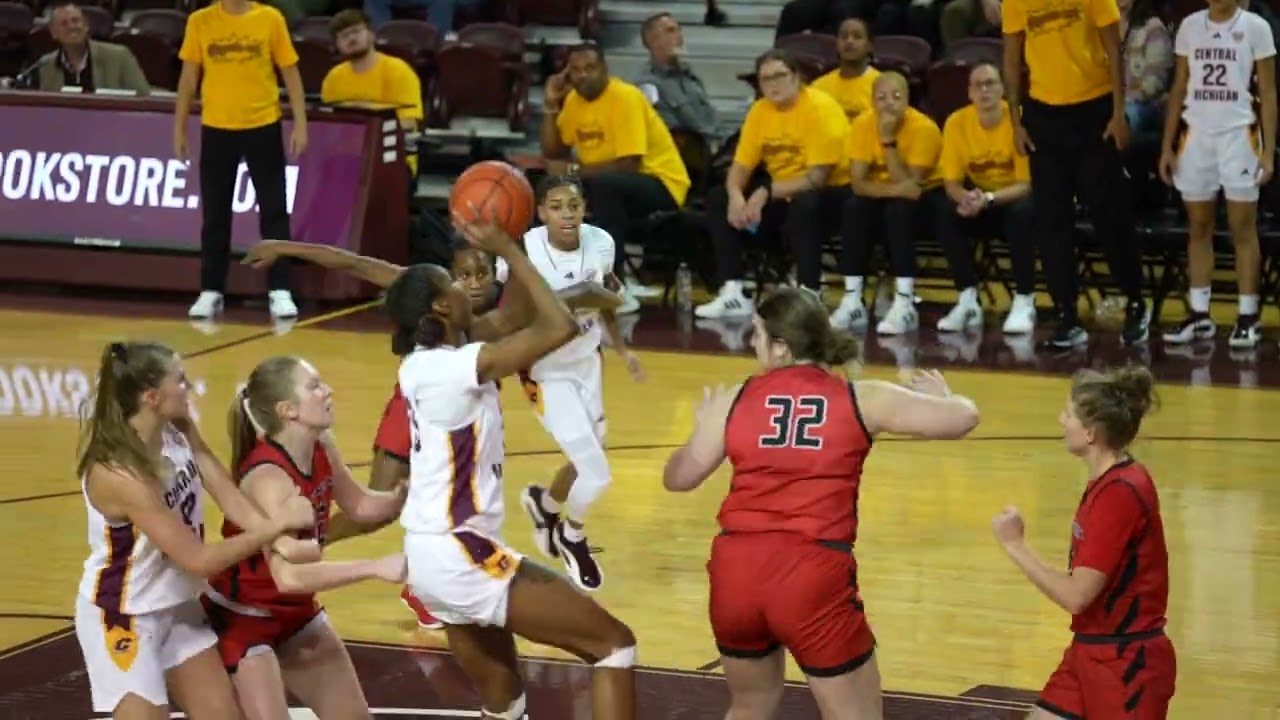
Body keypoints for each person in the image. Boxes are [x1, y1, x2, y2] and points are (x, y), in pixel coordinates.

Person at [662, 288, 981, 719]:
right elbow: (964, 417)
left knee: (750, 706)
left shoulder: (736, 398)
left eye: (757, 333)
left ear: (782, 346)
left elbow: (678, 478)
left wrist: (700, 430)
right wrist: (945, 398)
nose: (751, 343)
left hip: (735, 572)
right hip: (809, 574)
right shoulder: (860, 397)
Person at [392, 214, 637, 718]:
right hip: (461, 551)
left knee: (505, 700)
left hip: (429, 553)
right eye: (453, 285)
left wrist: (520, 250)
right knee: (615, 645)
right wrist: (512, 251)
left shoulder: (428, 360)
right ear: (441, 305)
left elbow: (521, 312)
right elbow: (559, 327)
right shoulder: (449, 367)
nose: (466, 290)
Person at [74, 340, 317, 719]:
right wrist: (275, 527)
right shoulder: (120, 473)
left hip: (177, 605)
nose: (191, 387)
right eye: (181, 381)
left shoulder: (176, 429)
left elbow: (223, 490)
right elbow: (199, 560)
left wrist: (280, 540)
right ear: (153, 396)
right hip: (125, 614)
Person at [202, 356, 407, 719]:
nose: (327, 390)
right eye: (314, 386)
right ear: (288, 410)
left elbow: (360, 506)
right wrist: (375, 567)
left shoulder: (321, 446)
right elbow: (290, 577)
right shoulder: (268, 478)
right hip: (245, 618)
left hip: (296, 614)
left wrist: (407, 496)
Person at [992, 365, 1176, 718]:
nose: (1062, 420)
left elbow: (1077, 596)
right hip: (1090, 650)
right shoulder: (1113, 479)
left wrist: (1015, 545)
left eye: (1069, 414)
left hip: (1125, 664)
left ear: (1090, 433)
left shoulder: (1119, 494)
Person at [505, 176, 640, 593]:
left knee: (589, 453)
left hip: (587, 362)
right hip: (545, 369)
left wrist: (622, 350)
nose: (567, 213)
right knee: (596, 474)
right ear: (542, 212)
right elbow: (509, 312)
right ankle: (572, 535)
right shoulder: (523, 251)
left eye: (574, 206)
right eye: (557, 206)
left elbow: (606, 298)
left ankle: (544, 505)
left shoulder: (600, 242)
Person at [1002, 0, 1151, 348]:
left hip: (1094, 110)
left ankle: (1136, 301)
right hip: (1043, 115)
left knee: (1109, 214)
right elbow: (1010, 58)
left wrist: (1118, 112)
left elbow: (1114, 49)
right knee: (1052, 221)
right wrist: (1015, 121)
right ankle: (1067, 315)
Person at [696, 49, 851, 320]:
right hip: (781, 195)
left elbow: (816, 178)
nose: (773, 84)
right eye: (765, 79)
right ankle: (733, 291)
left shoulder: (820, 108)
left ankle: (810, 293)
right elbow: (741, 166)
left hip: (833, 196)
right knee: (718, 196)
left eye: (780, 75)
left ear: (797, 78)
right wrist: (735, 196)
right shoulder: (760, 111)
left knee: (805, 203)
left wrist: (762, 194)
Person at [176, 0, 307, 321]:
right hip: (217, 127)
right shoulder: (200, 21)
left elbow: (289, 71)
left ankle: (279, 289)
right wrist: (179, 128)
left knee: (274, 211)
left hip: (263, 124)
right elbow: (189, 76)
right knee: (215, 213)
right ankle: (211, 290)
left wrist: (300, 123)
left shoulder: (270, 18)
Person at [1159, 0, 1276, 349]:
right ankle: (1199, 315)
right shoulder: (1190, 26)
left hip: (1239, 135)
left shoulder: (1256, 27)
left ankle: (1248, 316)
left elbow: (1268, 93)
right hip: (1196, 136)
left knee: (1243, 228)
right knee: (1198, 227)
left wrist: (1268, 153)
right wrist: (1167, 145)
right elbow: (1178, 87)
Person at [541, 43, 692, 312]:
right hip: (609, 185)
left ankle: (616, 286)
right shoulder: (574, 101)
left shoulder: (625, 97)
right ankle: (549, 281)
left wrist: (572, 171)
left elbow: (628, 166)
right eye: (575, 70)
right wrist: (551, 104)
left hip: (661, 184)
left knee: (605, 186)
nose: (583, 75)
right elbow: (552, 150)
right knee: (546, 188)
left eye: (590, 68)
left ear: (605, 69)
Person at [831, 71, 944, 336]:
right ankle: (853, 299)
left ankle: (904, 303)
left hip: (929, 198)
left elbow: (911, 186)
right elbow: (858, 183)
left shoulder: (925, 128)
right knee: (854, 208)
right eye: (881, 97)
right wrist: (892, 190)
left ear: (908, 100)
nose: (888, 103)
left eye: (896, 96)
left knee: (898, 212)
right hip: (887, 193)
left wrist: (888, 141)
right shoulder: (861, 124)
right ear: (871, 101)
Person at [932, 63, 1038, 335]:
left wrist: (988, 199)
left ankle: (1025, 299)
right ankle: (967, 299)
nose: (984, 90)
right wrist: (966, 199)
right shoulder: (956, 122)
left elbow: (1026, 185)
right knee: (945, 211)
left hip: (1016, 200)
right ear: (969, 92)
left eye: (990, 83)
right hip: (982, 201)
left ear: (1002, 89)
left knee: (1021, 214)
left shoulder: (1020, 120)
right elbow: (951, 182)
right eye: (978, 85)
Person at [810, 18, 881, 121]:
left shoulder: (882, 86)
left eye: (857, 37)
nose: (849, 41)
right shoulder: (819, 87)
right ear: (837, 44)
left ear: (870, 45)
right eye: (844, 37)